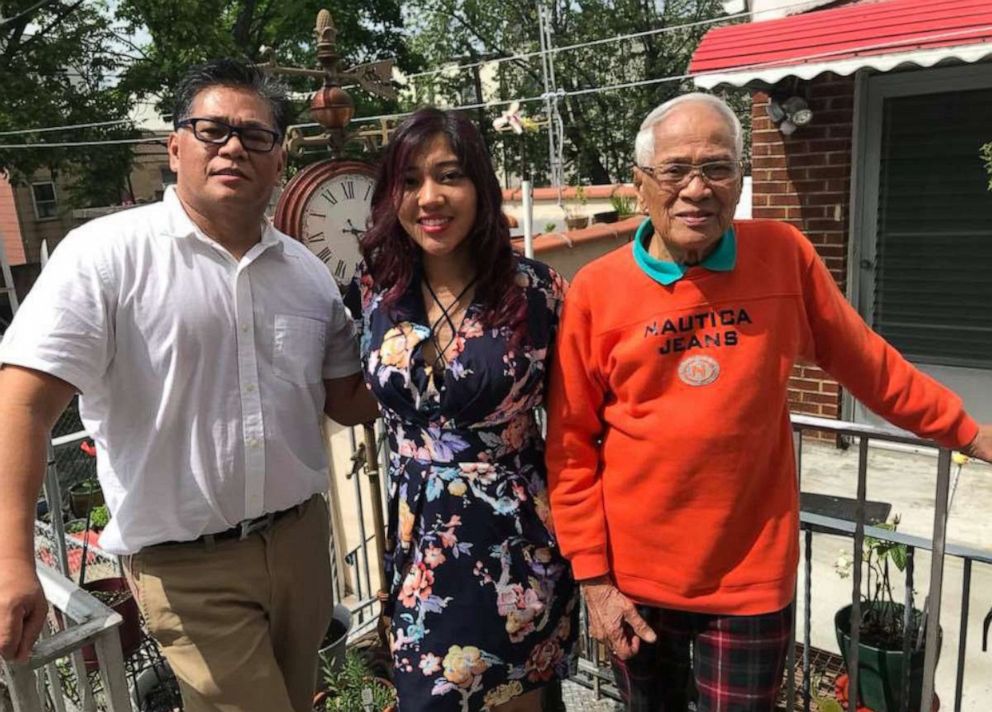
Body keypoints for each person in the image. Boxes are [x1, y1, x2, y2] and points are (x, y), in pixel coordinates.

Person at [544, 92, 992, 712]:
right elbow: (569, 445)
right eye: (675, 170)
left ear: (739, 180)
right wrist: (593, 578)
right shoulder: (596, 290)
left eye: (718, 168)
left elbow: (866, 363)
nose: (696, 189)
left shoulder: (782, 256)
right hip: (634, 578)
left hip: (749, 576)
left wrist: (965, 430)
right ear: (641, 185)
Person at [0, 59, 378, 712]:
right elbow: (23, 406)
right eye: (212, 130)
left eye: (255, 135)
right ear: (176, 147)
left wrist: (447, 343)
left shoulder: (307, 275)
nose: (233, 145)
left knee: (298, 698)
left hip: (300, 547)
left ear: (279, 159)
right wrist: (12, 562)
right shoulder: (106, 257)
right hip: (189, 570)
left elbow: (350, 399)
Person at [355, 108, 577, 712]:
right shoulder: (378, 293)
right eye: (410, 181)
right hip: (418, 551)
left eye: (449, 176)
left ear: (480, 185)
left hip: (514, 550)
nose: (430, 198)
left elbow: (576, 426)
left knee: (516, 701)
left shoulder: (538, 293)